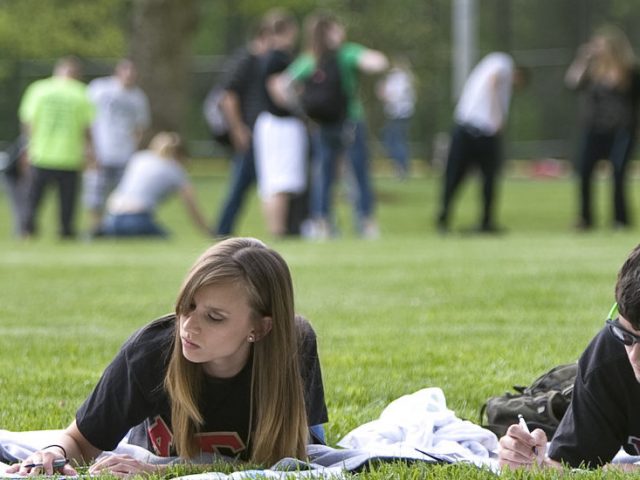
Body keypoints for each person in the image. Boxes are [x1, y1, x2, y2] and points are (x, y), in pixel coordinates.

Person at [6, 237, 328, 476]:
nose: (189, 326)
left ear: (260, 327)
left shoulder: (293, 347)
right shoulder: (152, 350)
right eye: (187, 306)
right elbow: (80, 440)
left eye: (214, 317)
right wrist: (53, 452)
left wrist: (161, 472)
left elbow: (288, 463)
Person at [498, 243, 640, 471]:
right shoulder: (610, 357)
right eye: (628, 336)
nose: (635, 356)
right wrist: (533, 464)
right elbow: (570, 465)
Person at [273, 12, 388, 240]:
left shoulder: (309, 59)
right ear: (332, 31)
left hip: (322, 125)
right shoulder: (346, 53)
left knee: (323, 175)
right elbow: (377, 62)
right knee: (358, 173)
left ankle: (322, 222)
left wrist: (302, 111)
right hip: (350, 121)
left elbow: (283, 85)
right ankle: (365, 221)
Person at [436, 52, 528, 234]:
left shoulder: (491, 65)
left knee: (488, 179)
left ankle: (485, 222)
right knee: (456, 176)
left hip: (471, 129)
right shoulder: (503, 61)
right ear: (519, 75)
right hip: (477, 129)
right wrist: (497, 116)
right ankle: (444, 219)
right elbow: (493, 81)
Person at [564, 25, 640, 231]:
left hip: (621, 131)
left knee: (618, 173)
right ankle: (585, 219)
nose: (597, 49)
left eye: (601, 45)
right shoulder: (593, 70)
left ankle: (620, 219)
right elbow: (571, 83)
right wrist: (582, 59)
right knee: (585, 171)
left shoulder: (630, 71)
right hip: (594, 129)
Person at [19, 56, 95, 239]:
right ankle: (66, 232)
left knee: (34, 198)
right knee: (67, 201)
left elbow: (28, 121)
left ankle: (27, 231)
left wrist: (28, 146)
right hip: (69, 154)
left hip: (42, 152)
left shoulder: (39, 89)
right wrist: (91, 151)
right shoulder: (81, 92)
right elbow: (87, 128)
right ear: (76, 74)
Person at [211, 21, 271, 237]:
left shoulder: (260, 63)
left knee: (245, 186)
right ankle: (221, 231)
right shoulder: (245, 60)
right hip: (249, 133)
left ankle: (222, 230)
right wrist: (238, 129)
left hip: (261, 133)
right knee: (238, 186)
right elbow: (228, 96)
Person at [254, 10, 307, 238]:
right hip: (281, 125)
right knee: (280, 181)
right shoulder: (278, 58)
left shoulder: (267, 57)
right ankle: (279, 231)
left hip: (271, 124)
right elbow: (278, 90)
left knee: (274, 181)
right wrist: (301, 107)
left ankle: (278, 229)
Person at [84, 59, 151, 236]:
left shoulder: (138, 97)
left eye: (132, 72)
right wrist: (89, 149)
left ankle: (111, 228)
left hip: (124, 153)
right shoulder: (100, 88)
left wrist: (134, 151)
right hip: (101, 150)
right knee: (95, 192)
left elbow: (140, 128)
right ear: (118, 72)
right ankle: (95, 228)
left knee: (120, 195)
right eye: (126, 71)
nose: (129, 75)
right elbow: (86, 119)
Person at [99, 131, 209, 238]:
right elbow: (192, 207)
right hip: (137, 220)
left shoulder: (139, 158)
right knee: (166, 237)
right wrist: (210, 232)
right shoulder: (175, 169)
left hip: (111, 219)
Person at [376, 55, 416, 180]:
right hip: (398, 114)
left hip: (399, 114)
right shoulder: (404, 79)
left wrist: (384, 93)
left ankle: (402, 168)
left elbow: (392, 96)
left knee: (395, 141)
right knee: (393, 140)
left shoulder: (400, 78)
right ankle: (401, 167)